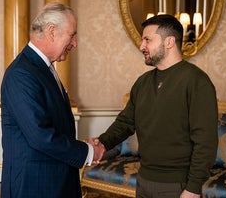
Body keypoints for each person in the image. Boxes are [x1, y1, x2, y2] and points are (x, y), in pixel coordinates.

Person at [92, 14, 218, 198]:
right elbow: (125, 122)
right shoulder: (142, 82)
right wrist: (102, 143)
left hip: (178, 185)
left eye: (147, 40)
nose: (142, 46)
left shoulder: (197, 81)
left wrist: (193, 188)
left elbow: (205, 141)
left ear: (169, 42)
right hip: (143, 180)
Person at [0, 3, 103, 198]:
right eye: (72, 35)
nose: (75, 43)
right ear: (52, 31)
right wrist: (88, 152)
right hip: (34, 186)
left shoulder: (42, 68)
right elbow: (40, 136)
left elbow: (55, 125)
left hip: (53, 181)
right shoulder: (21, 73)